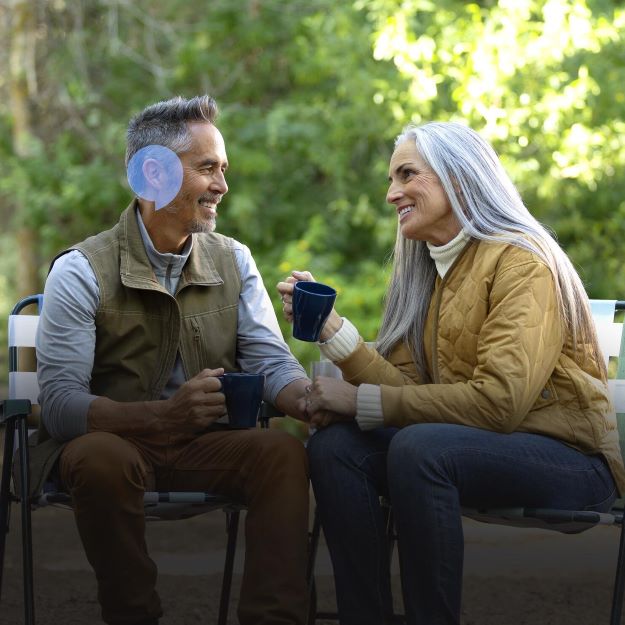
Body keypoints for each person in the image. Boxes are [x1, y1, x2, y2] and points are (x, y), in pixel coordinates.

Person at [277, 121, 625, 625]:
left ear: (458, 179)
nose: (391, 192)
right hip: (474, 448)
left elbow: (498, 403)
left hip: (569, 460)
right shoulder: (435, 273)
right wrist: (335, 333)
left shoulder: (522, 263)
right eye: (392, 178)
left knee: (420, 448)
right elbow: (418, 397)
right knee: (337, 449)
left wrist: (361, 403)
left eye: (406, 174)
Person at [35, 95, 311, 625]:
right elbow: (61, 406)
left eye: (223, 169)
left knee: (282, 454)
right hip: (115, 448)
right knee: (98, 459)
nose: (222, 185)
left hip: (205, 447)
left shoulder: (235, 260)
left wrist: (308, 398)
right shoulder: (80, 269)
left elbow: (271, 360)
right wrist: (163, 416)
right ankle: (133, 615)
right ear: (154, 173)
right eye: (207, 168)